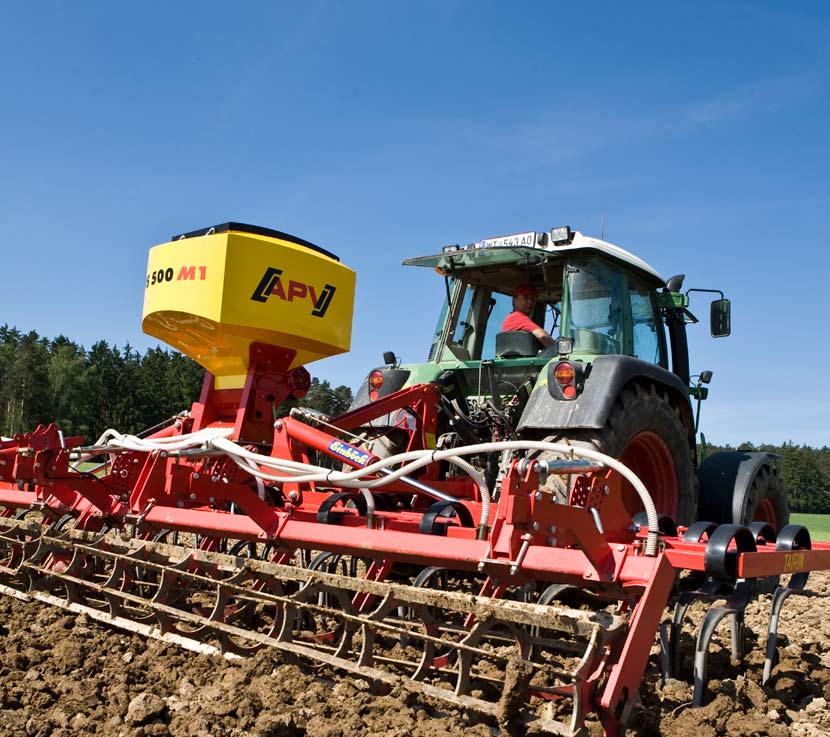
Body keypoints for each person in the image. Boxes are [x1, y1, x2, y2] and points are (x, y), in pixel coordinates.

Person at [501, 283, 554, 348]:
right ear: (514, 300)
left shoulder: (513, 318)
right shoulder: (516, 317)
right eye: (526, 297)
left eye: (532, 298)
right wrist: (557, 350)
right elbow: (542, 335)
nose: (530, 302)